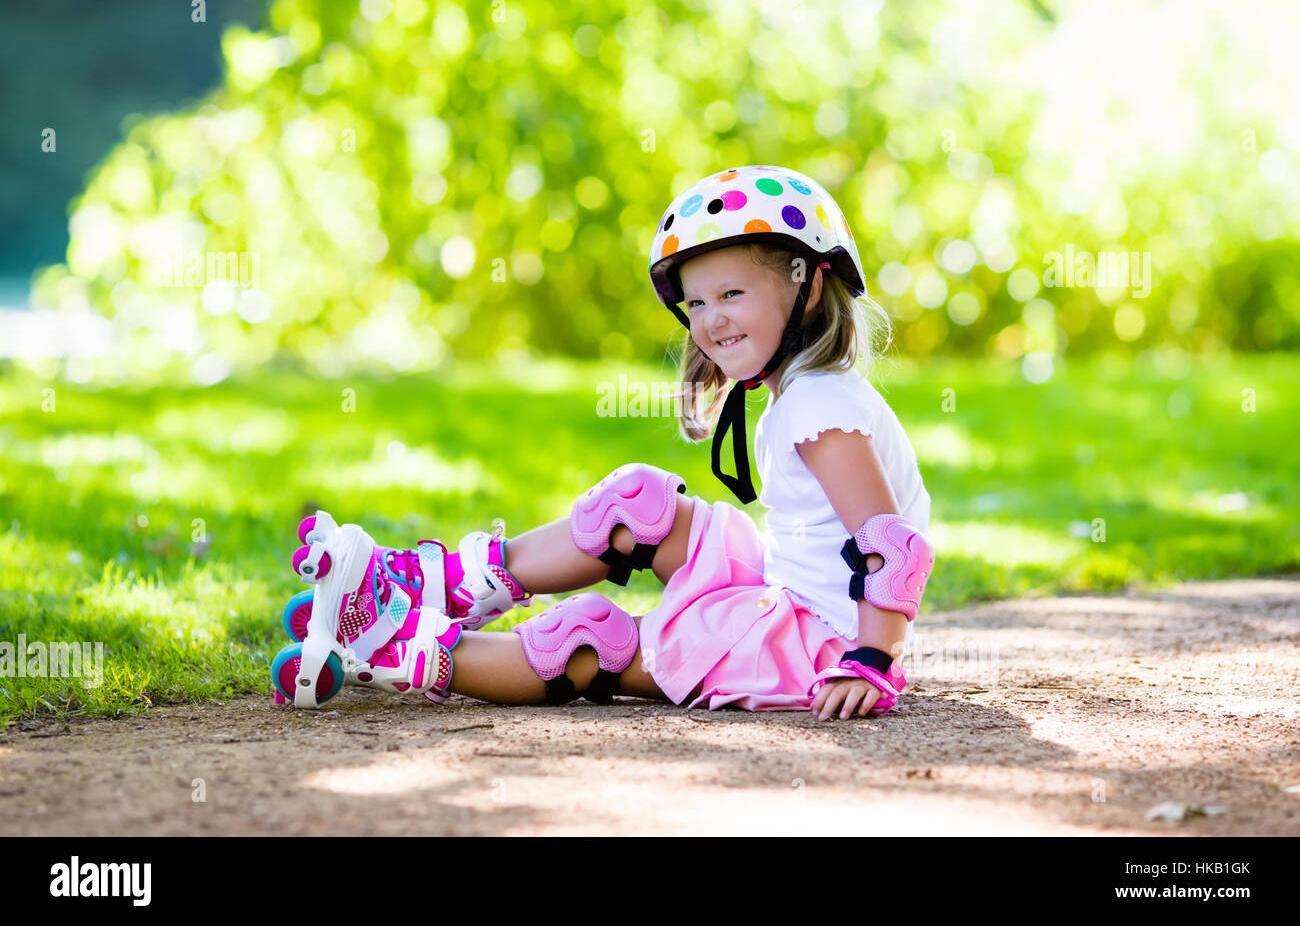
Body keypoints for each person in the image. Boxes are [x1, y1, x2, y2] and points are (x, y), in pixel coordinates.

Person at [269, 165, 935, 721]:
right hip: (786, 593)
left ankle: (397, 647)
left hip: (816, 644)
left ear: (809, 283)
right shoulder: (810, 392)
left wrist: (872, 662)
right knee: (637, 502)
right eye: (697, 304)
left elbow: (892, 546)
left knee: (589, 636)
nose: (711, 321)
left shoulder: (820, 405)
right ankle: (437, 584)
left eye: (732, 293)